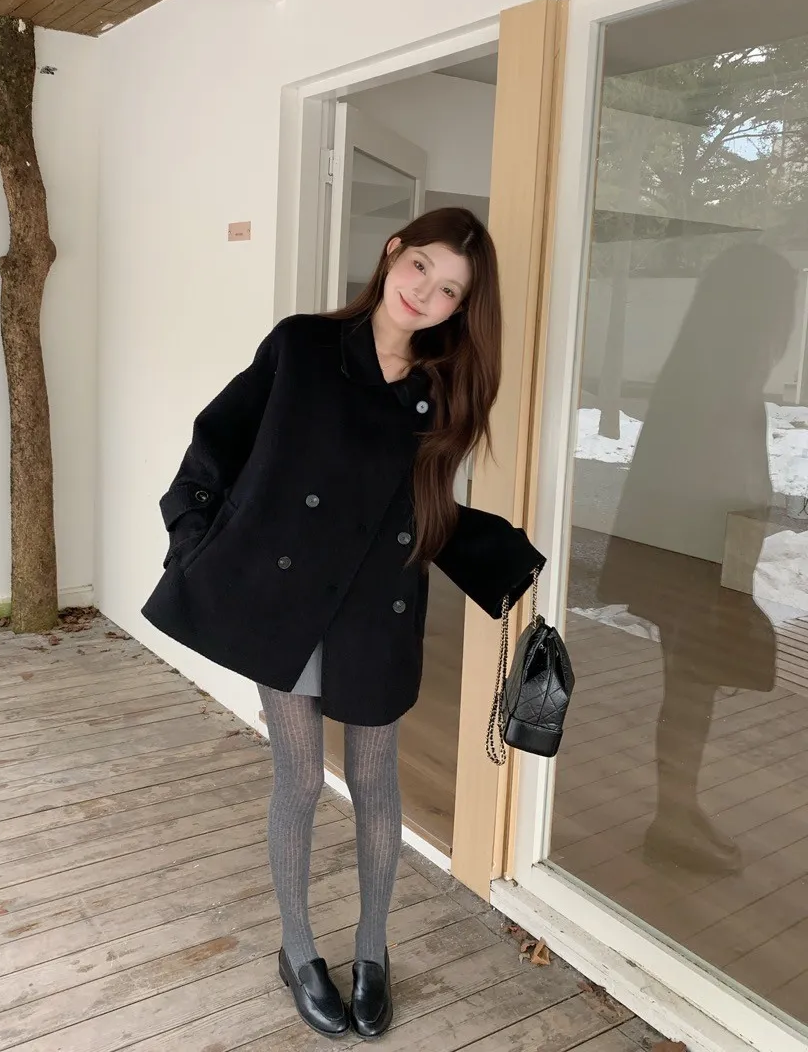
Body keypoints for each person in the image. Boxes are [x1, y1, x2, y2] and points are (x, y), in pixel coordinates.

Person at [142, 208, 545, 1038]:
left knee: (375, 781)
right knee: (298, 779)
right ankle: (298, 952)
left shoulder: (442, 392)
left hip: (375, 606)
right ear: (394, 251)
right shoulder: (302, 347)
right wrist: (195, 536)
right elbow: (217, 441)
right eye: (421, 266)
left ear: (461, 307)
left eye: (449, 290)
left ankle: (371, 952)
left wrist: (503, 562)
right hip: (285, 600)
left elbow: (419, 509)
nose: (425, 293)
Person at [598, 242, 797, 876]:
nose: (784, 332)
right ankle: (672, 817)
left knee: (690, 692)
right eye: (780, 313)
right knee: (689, 694)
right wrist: (728, 586)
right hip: (696, 571)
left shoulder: (705, 381)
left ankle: (677, 809)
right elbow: (722, 493)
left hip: (690, 569)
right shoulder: (717, 392)